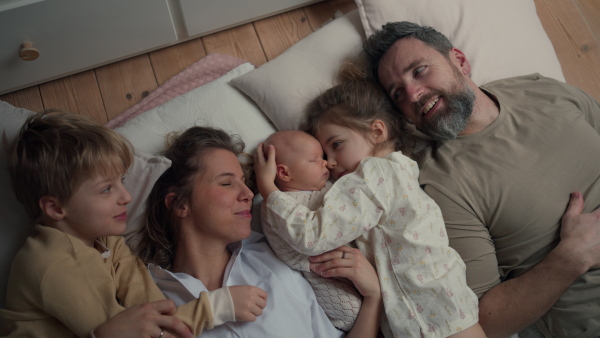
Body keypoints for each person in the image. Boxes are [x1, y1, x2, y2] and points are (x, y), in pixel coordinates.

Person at [362, 21, 600, 337]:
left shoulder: (543, 89)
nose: (414, 93)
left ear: (459, 60)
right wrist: (571, 258)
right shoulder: (437, 186)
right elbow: (483, 322)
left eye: (419, 71)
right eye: (398, 93)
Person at [254, 75, 487, 338]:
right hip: (441, 313)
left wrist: (268, 189)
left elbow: (314, 236)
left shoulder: (374, 174)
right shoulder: (397, 173)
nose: (330, 163)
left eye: (337, 145)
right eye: (324, 155)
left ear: (377, 131)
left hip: (431, 316)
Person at [0, 112, 260, 338]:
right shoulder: (50, 264)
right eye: (106, 190)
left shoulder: (107, 240)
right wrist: (215, 308)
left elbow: (154, 311)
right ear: (56, 208)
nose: (126, 197)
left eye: (121, 181)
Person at [135, 126, 383, 338]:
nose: (247, 194)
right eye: (226, 183)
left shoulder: (276, 261)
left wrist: (372, 298)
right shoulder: (150, 298)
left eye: (244, 182)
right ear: (180, 204)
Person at [260, 129, 363, 331]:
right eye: (314, 159)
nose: (325, 163)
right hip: (322, 270)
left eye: (323, 157)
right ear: (284, 173)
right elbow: (289, 245)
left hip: (355, 255)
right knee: (351, 309)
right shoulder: (274, 205)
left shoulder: (329, 186)